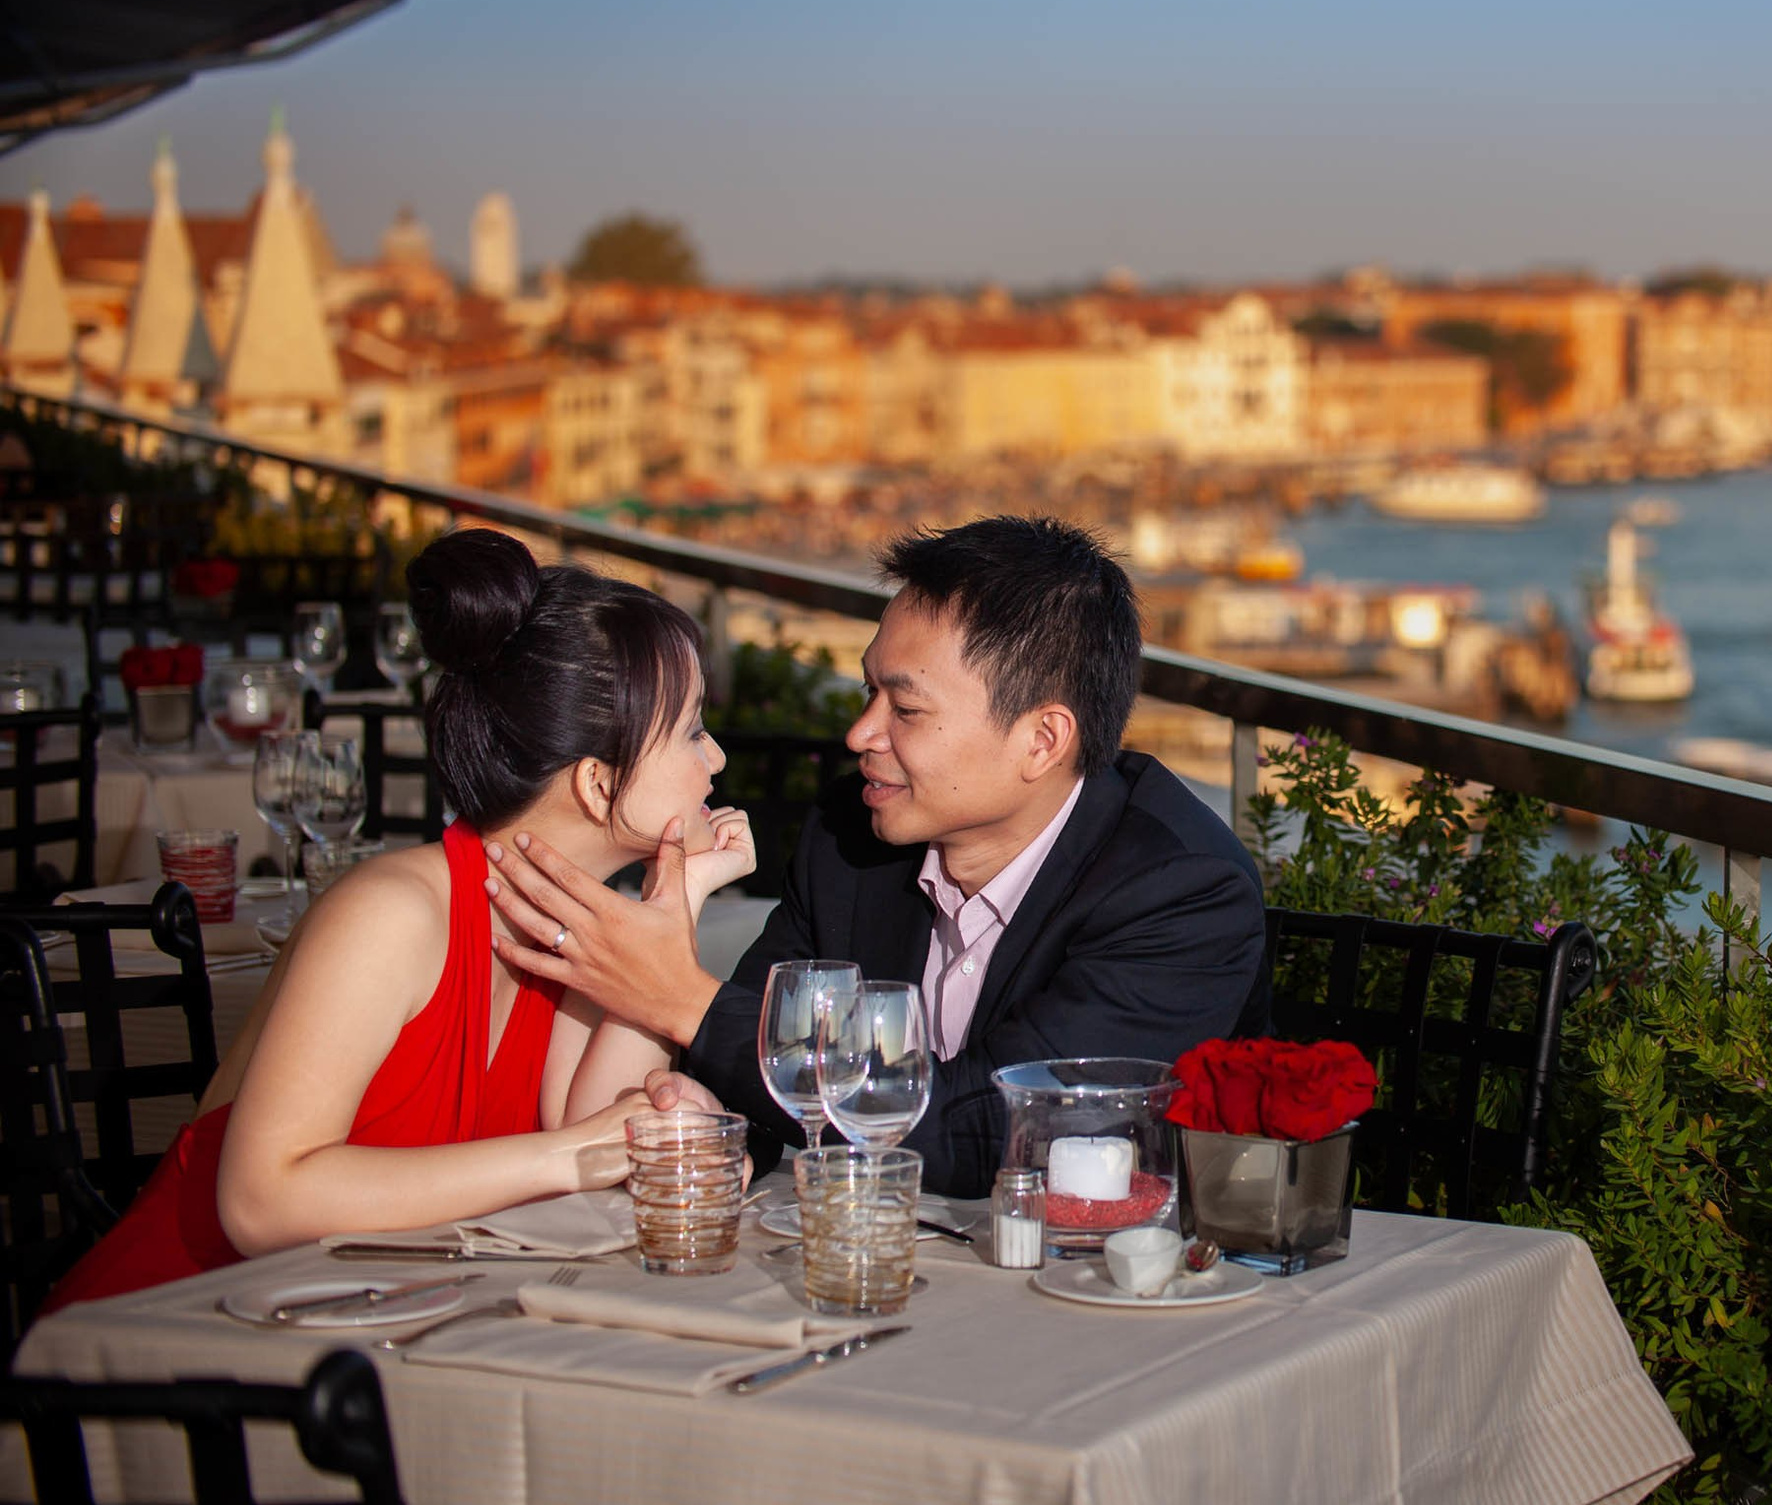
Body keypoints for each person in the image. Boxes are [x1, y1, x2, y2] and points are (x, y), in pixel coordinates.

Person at [45, 530, 754, 1306]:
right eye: (690, 729)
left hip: (363, 1331)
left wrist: (673, 905)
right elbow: (261, 1203)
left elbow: (586, 1147)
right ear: (595, 782)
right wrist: (571, 1154)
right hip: (179, 1339)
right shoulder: (391, 914)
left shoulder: (583, 931)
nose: (715, 758)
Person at [481, 514, 1269, 1195]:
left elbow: (999, 1135)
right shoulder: (851, 836)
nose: (861, 734)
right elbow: (748, 1078)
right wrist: (705, 1120)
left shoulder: (1178, 891)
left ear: (1042, 739)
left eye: (906, 708)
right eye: (868, 694)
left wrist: (679, 999)